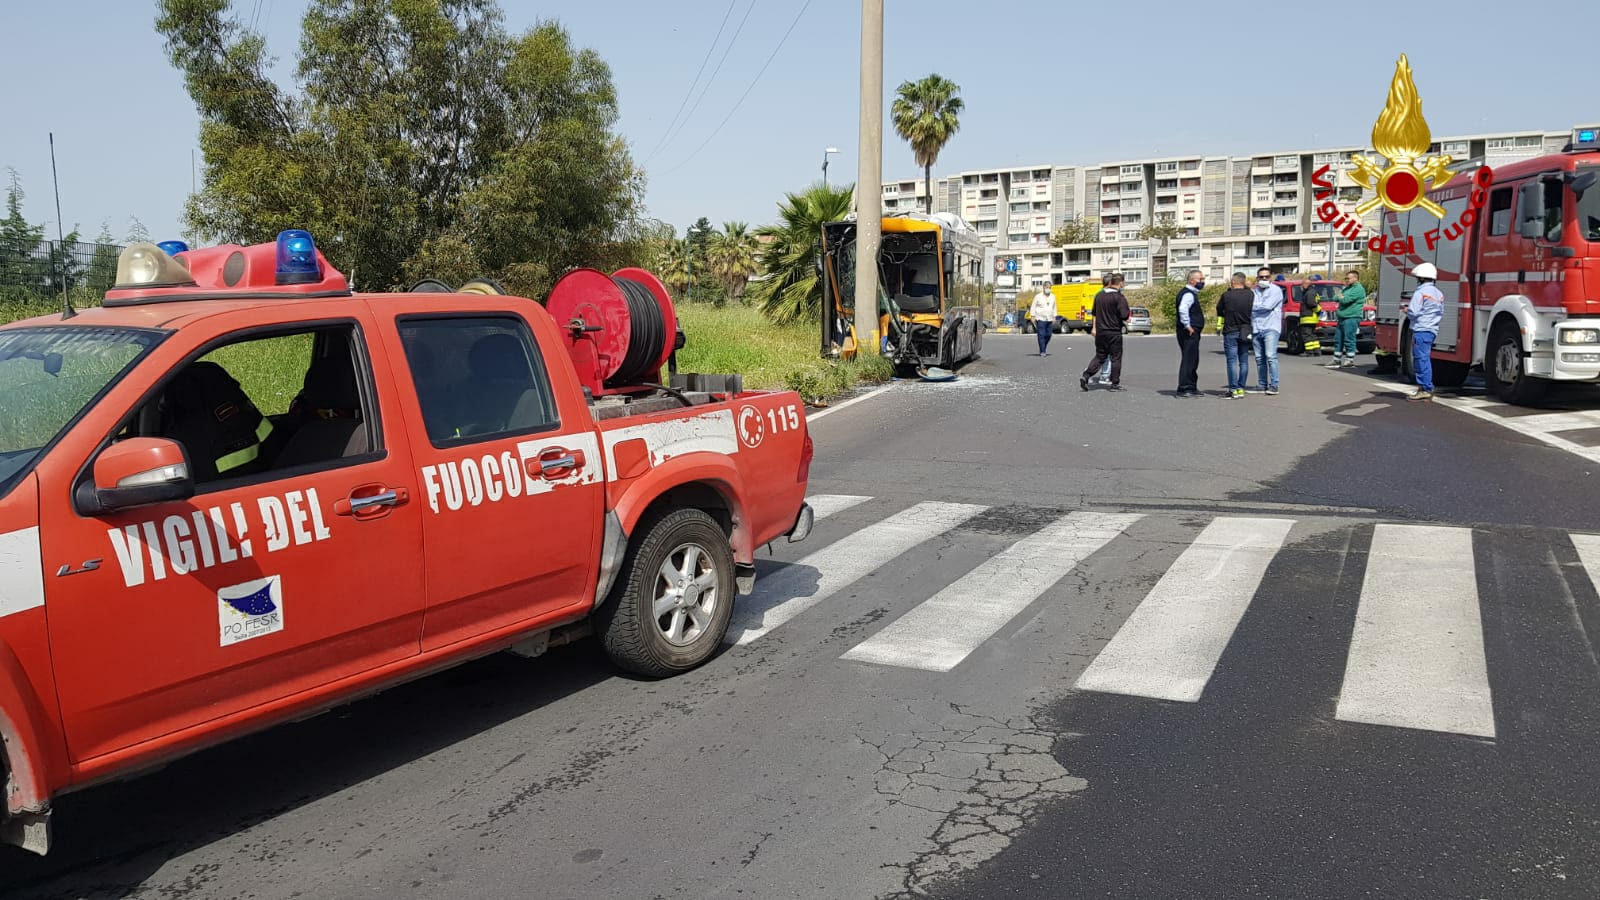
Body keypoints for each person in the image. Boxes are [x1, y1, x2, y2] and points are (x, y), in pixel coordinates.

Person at [1080, 273, 1130, 391]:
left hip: (1101, 332)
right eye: (1123, 283)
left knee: (1100, 356)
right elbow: (1124, 315)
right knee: (1116, 357)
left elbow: (1094, 313)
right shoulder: (1119, 297)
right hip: (1114, 332)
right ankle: (1115, 384)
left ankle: (1086, 375)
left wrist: (1094, 328)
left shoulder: (1099, 296)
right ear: (1120, 283)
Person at [1404, 262, 1444, 401]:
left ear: (1421, 278)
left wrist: (1406, 311)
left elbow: (1413, 312)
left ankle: (1425, 389)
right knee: (1425, 358)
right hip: (1432, 329)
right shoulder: (1439, 294)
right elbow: (1440, 311)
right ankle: (1426, 387)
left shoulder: (1420, 292)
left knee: (1420, 359)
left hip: (1421, 329)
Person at [1217, 273, 1255, 398]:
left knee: (1231, 360)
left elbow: (1219, 310)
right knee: (1243, 360)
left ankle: (1233, 388)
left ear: (1233, 282)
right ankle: (1241, 387)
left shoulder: (1227, 295)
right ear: (1243, 282)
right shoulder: (1250, 295)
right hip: (1245, 330)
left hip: (1230, 329)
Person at [1251, 267, 1284, 395]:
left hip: (1271, 327)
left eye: (1266, 277)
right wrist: (1256, 307)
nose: (1264, 279)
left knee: (1271, 356)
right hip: (1256, 326)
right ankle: (1262, 384)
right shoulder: (1255, 291)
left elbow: (1267, 307)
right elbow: (1252, 306)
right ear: (1257, 277)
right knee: (1259, 358)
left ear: (1270, 277)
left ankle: (1274, 385)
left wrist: (1254, 307)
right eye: (1261, 277)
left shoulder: (1275, 290)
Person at [1174, 269, 1206, 396]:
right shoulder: (1188, 294)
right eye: (1200, 279)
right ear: (1192, 280)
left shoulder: (1191, 293)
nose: (1202, 282)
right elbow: (1183, 309)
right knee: (1189, 359)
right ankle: (1185, 387)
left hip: (1191, 331)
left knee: (1193, 359)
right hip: (1189, 331)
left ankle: (1192, 386)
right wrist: (1187, 325)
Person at [1329, 270, 1366, 369]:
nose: (1346, 280)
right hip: (1342, 317)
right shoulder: (1346, 289)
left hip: (1352, 317)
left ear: (1355, 278)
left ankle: (1349, 360)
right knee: (1338, 339)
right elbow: (1334, 297)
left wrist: (1341, 296)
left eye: (1348, 278)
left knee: (1349, 339)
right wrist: (1341, 296)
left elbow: (1345, 300)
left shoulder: (1358, 289)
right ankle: (1336, 359)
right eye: (1346, 278)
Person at [1028, 285, 1057, 356]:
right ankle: (1043, 351)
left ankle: (1043, 346)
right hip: (1040, 318)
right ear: (1044, 288)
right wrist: (1032, 316)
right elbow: (1033, 306)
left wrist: (1054, 316)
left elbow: (1054, 307)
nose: (1048, 289)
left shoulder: (1053, 296)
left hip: (1049, 318)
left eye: (1050, 288)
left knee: (1048, 335)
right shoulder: (1038, 297)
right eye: (1047, 288)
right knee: (1041, 335)